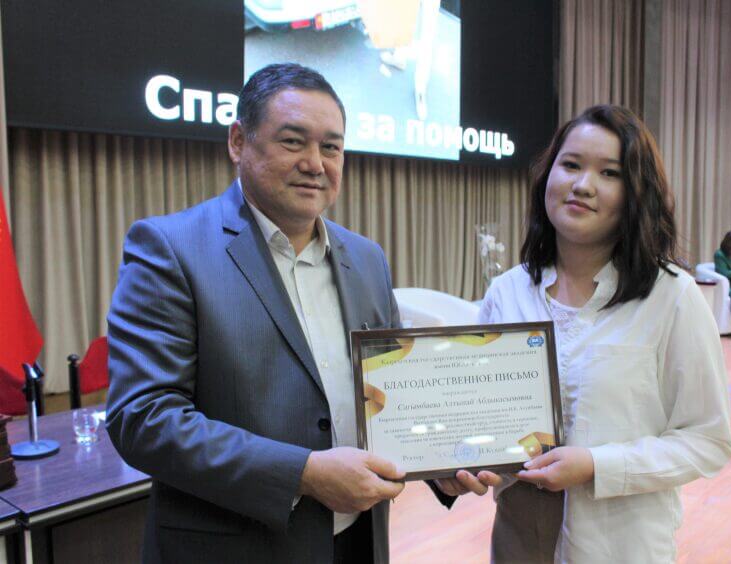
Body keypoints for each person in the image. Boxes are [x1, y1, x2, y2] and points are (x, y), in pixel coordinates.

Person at [106, 63, 486, 564]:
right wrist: (303, 474)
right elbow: (144, 419)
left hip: (357, 542)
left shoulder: (366, 258)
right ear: (238, 142)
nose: (315, 163)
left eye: (331, 147)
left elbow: (391, 396)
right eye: (293, 141)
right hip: (237, 550)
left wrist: (435, 463)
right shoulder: (170, 249)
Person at [478, 105, 731, 563]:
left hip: (620, 548)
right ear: (547, 176)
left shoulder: (672, 297)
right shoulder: (507, 292)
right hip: (520, 540)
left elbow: (708, 440)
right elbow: (481, 418)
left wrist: (598, 465)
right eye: (571, 165)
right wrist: (454, 463)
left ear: (636, 192)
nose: (582, 185)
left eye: (609, 173)